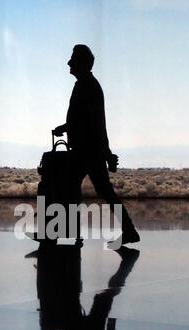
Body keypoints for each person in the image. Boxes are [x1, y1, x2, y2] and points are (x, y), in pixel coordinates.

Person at [54, 44, 140, 245]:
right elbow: (92, 121)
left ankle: (64, 232)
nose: (69, 63)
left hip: (87, 150)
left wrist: (66, 128)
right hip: (90, 149)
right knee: (94, 191)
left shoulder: (87, 86)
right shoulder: (88, 84)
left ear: (82, 63)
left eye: (73, 59)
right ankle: (127, 231)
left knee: (69, 188)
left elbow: (92, 121)